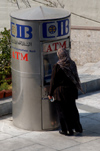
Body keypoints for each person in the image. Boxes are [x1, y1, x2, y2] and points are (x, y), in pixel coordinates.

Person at [48, 48, 83, 136]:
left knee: (62, 111)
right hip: (71, 91)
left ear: (59, 55)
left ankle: (67, 130)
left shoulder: (58, 65)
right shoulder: (72, 63)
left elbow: (53, 81)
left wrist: (50, 93)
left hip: (61, 92)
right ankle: (78, 127)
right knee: (73, 110)